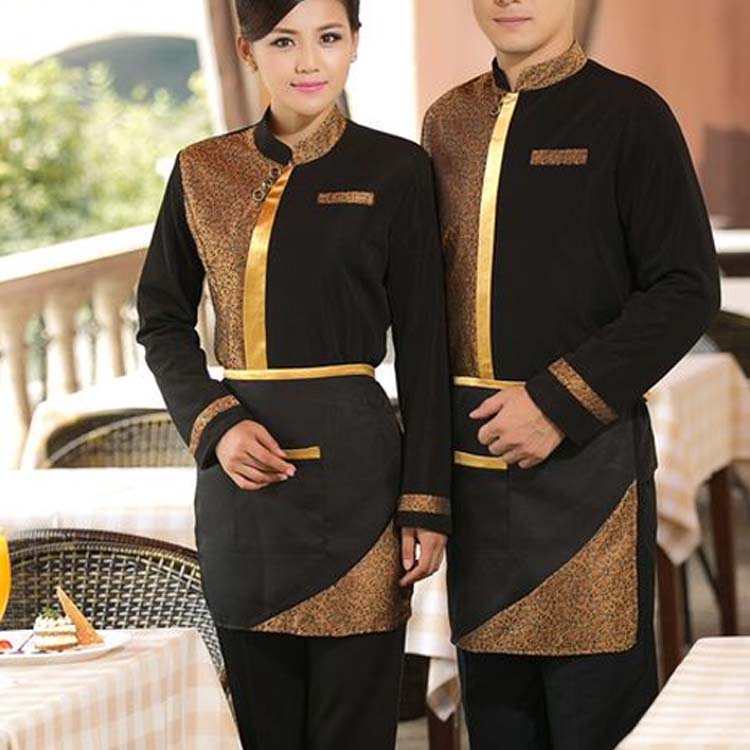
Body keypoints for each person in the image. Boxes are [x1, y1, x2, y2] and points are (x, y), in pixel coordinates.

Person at [136, 1, 452, 747]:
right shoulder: (200, 170)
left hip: (361, 489)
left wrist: (427, 501)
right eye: (284, 41)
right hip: (242, 495)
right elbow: (161, 319)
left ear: (355, 45)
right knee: (263, 727)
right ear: (248, 51)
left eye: (329, 37)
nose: (309, 61)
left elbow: (427, 346)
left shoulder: (397, 169)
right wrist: (216, 424)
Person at [421, 1, 721, 748]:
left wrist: (555, 403)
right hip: (477, 492)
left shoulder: (630, 116)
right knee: (499, 728)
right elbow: (427, 310)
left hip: (589, 490)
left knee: (599, 726)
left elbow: (686, 288)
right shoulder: (447, 124)